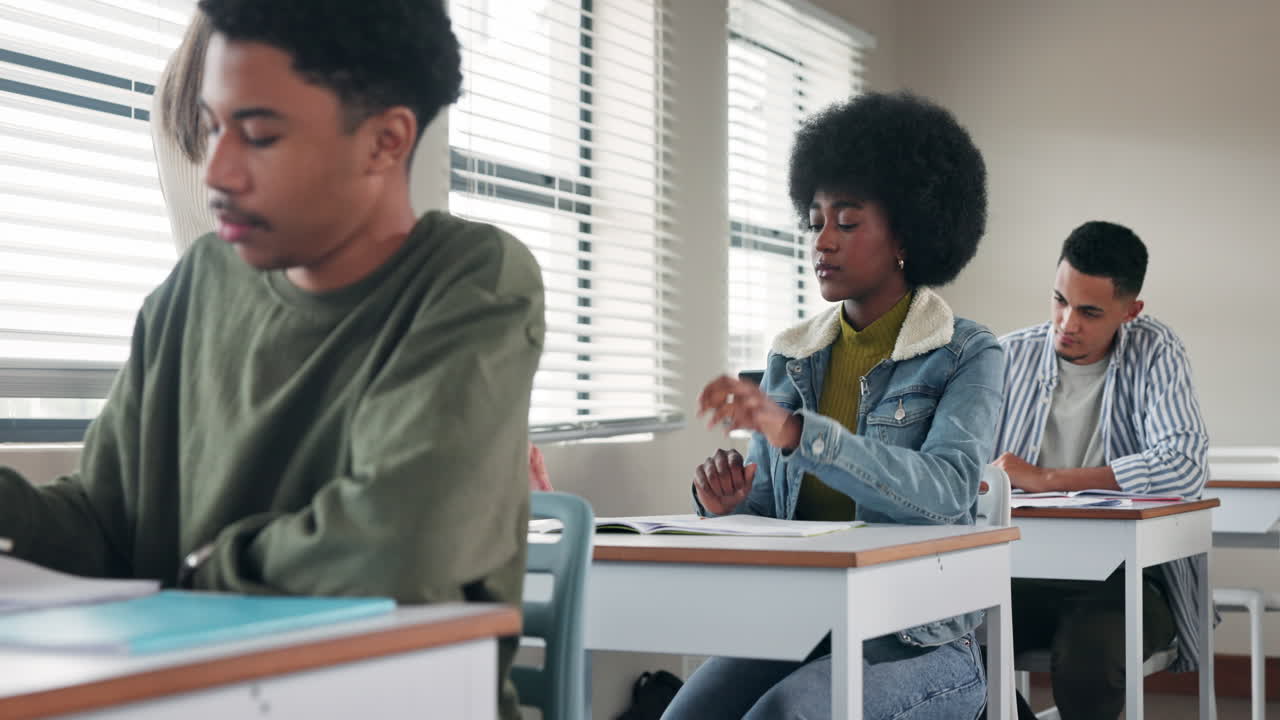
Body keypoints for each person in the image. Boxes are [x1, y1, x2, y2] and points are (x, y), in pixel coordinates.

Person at [0, 2, 543, 717]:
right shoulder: (194, 287)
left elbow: (400, 540)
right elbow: (104, 524)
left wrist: (203, 568)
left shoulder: (471, 279)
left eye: (257, 135)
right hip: (204, 695)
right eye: (213, 125)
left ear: (385, 141)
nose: (218, 168)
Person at [663, 92, 1002, 720]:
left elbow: (948, 492)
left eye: (846, 223)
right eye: (815, 220)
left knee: (790, 714)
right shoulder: (791, 358)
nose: (822, 241)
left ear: (905, 233)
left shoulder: (966, 353)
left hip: (919, 645)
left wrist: (798, 431)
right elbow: (771, 511)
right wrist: (727, 507)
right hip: (802, 627)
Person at [150, 10, 553, 491]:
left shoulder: (192, 78)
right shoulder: (288, 62)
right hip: (278, 363)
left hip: (228, 366)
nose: (222, 171)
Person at [991, 221, 1210, 719]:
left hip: (1131, 577)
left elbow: (1184, 465)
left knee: (1091, 654)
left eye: (1090, 312)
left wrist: (1049, 479)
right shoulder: (1006, 357)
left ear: (1130, 312)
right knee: (943, 633)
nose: (1067, 322)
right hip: (1024, 569)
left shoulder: (1155, 350)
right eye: (1059, 300)